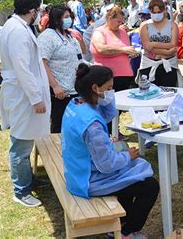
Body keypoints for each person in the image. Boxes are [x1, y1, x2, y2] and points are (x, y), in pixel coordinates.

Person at [62, 64, 159, 238]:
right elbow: (106, 165)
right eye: (109, 88)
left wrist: (107, 97)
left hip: (76, 171)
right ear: (95, 88)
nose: (111, 92)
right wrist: (127, 156)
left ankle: (120, 224)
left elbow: (108, 115)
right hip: (88, 181)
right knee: (149, 185)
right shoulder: (92, 125)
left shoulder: (76, 103)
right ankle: (126, 231)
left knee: (130, 173)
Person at [0, 0, 51, 207]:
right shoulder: (18, 31)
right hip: (23, 95)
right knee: (20, 144)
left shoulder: (18, 27)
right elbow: (23, 70)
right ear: (32, 11)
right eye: (38, 10)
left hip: (23, 92)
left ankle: (27, 179)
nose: (39, 14)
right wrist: (36, 98)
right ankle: (20, 190)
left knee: (26, 140)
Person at [38, 7, 81, 133]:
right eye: (66, 17)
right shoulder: (47, 37)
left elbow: (78, 57)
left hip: (74, 89)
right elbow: (42, 63)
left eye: (70, 16)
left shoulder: (69, 35)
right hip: (59, 92)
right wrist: (55, 86)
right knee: (59, 125)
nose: (70, 19)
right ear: (57, 20)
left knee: (73, 124)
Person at [90, 6, 138, 93]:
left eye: (121, 22)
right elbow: (101, 49)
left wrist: (131, 53)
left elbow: (127, 49)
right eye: (118, 21)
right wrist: (123, 50)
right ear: (110, 18)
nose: (120, 24)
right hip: (105, 78)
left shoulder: (123, 32)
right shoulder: (99, 32)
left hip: (125, 75)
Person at [139, 0, 179, 87]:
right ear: (150, 11)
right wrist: (167, 51)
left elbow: (173, 45)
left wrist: (153, 44)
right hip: (149, 64)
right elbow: (146, 47)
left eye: (159, 12)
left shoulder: (172, 25)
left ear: (164, 10)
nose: (156, 15)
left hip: (168, 65)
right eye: (154, 12)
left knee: (168, 94)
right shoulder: (145, 25)